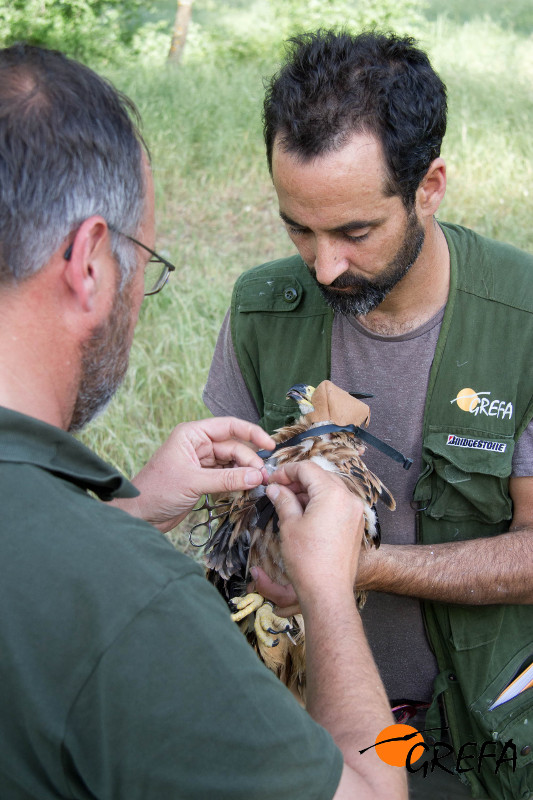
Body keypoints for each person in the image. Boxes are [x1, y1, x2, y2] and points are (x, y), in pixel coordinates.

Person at [0, 42, 408, 800]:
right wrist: (327, 589)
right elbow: (374, 792)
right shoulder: (132, 608)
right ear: (89, 263)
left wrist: (128, 511)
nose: (322, 268)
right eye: (139, 259)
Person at [203, 29, 533, 800]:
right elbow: (228, 510)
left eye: (354, 232)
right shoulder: (262, 309)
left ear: (429, 186)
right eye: (297, 226)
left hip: (474, 739)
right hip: (299, 727)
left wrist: (359, 567)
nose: (323, 267)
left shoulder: (520, 323)